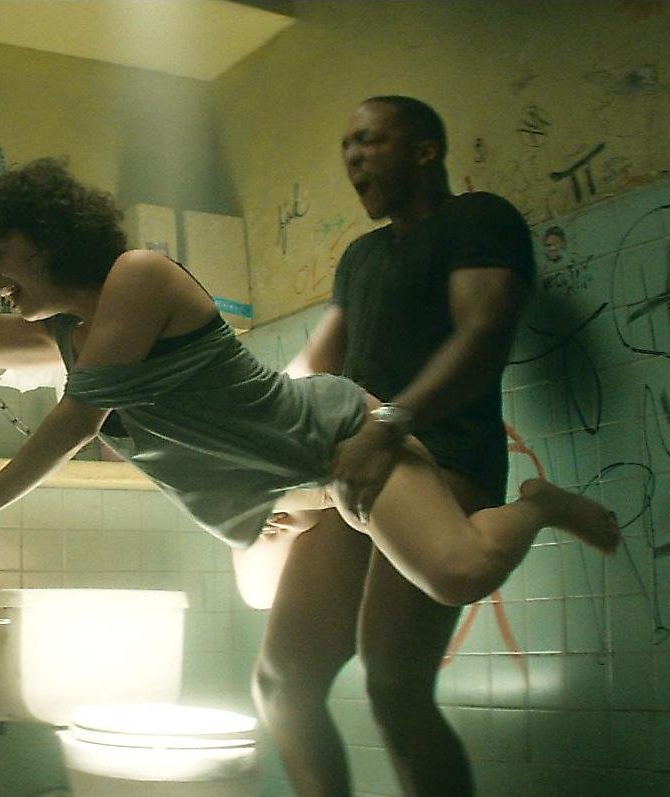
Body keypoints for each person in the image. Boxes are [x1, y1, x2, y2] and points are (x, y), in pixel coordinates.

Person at [0, 151, 616, 778]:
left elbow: (80, 415)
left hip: (337, 437)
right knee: (282, 675)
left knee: (458, 574)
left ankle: (539, 504)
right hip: (295, 492)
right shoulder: (64, 334)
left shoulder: (140, 277)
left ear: (46, 237)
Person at [243, 95, 544, 796]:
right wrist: (252, 449)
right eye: (346, 147)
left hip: (444, 463)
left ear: (424, 151)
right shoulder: (362, 257)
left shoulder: (479, 220)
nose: (353, 158)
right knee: (282, 680)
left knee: (395, 687)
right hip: (354, 471)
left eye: (370, 141)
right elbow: (315, 366)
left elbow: (484, 331)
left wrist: (390, 425)